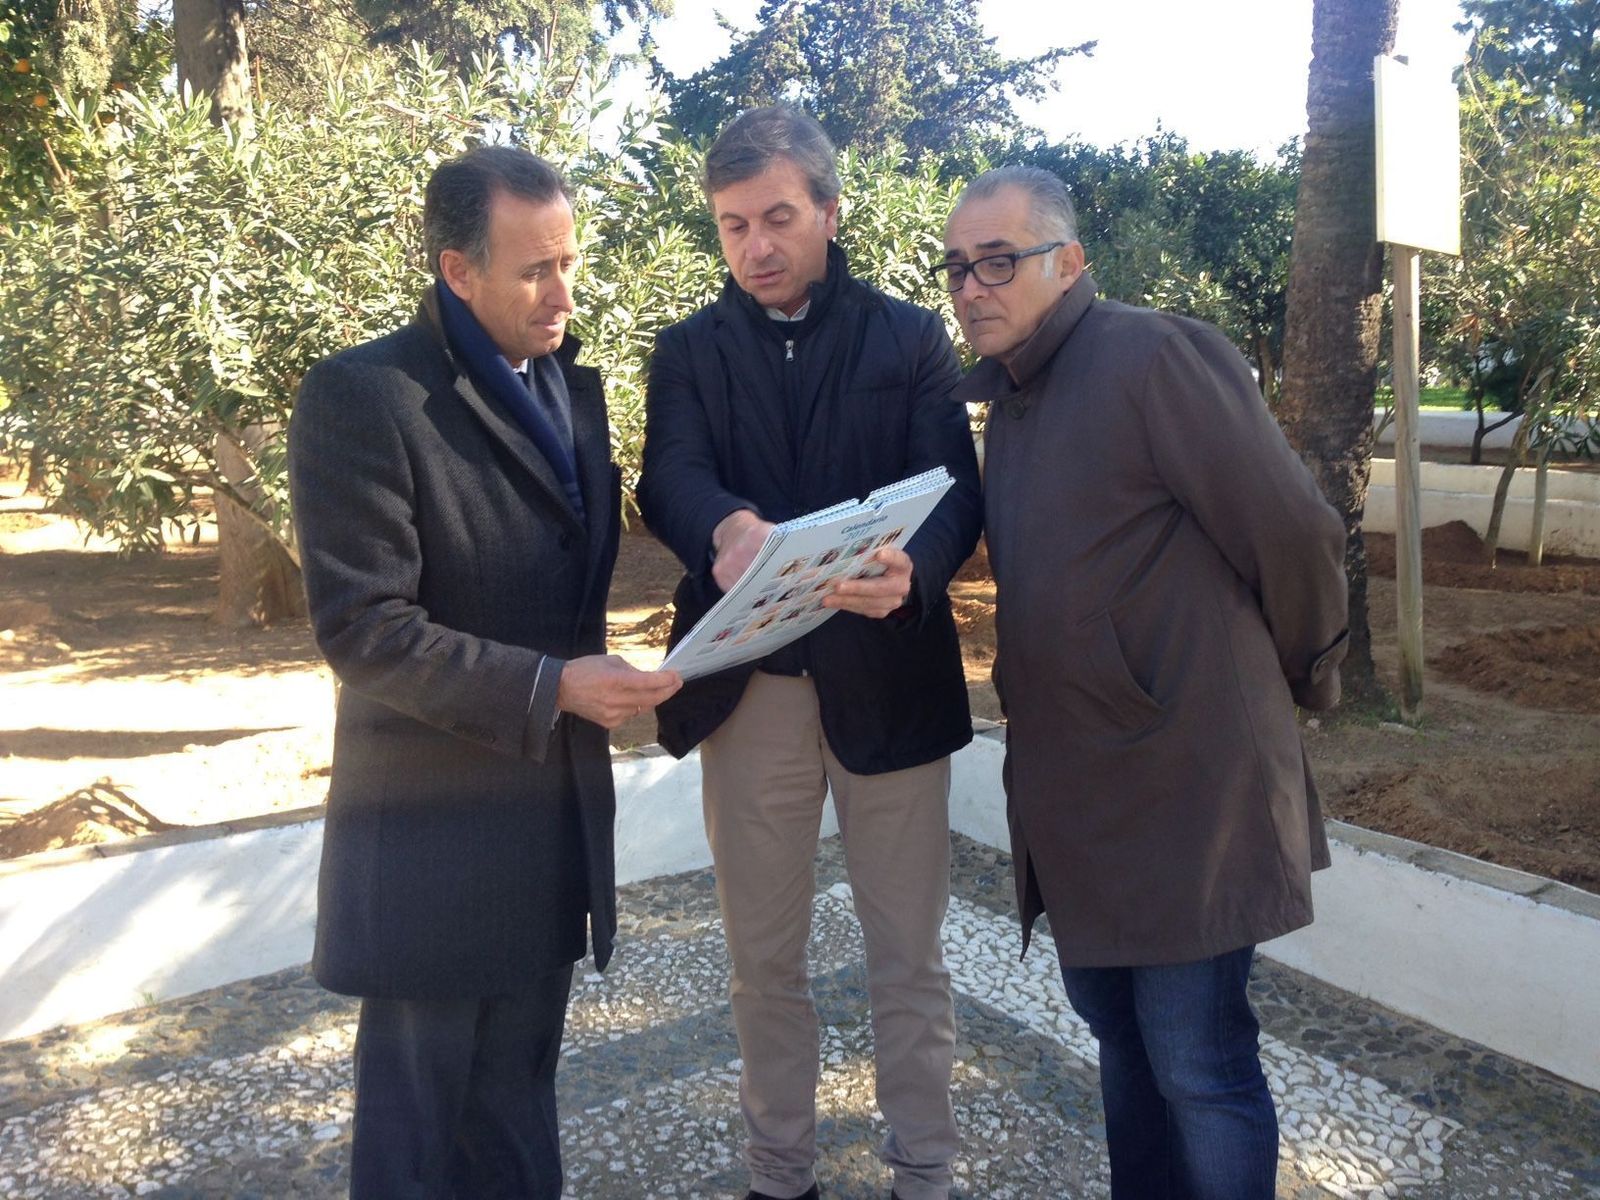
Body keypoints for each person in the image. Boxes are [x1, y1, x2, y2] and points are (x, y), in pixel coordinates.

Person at [940, 166, 1349, 1199]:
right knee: (1121, 1045)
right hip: (1078, 793)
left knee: (1197, 1064)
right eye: (958, 267)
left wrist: (1306, 672)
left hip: (1185, 790)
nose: (973, 286)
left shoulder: (1154, 356)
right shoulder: (1012, 401)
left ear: (1069, 261)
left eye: (999, 260)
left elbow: (1293, 530)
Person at [288, 145, 680, 1200]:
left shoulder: (567, 385)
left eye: (569, 263)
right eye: (534, 270)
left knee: (516, 1111)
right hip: (434, 847)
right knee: (417, 1137)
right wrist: (555, 687)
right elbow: (364, 628)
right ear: (457, 271)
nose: (564, 295)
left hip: (550, 823)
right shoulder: (365, 395)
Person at [637, 106, 982, 1200]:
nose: (756, 247)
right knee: (763, 961)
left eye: (778, 218)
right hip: (753, 693)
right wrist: (723, 525)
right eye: (733, 226)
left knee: (908, 955)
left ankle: (923, 1172)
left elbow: (954, 490)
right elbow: (668, 474)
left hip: (890, 680)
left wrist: (916, 571)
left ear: (830, 211)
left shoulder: (909, 338)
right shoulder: (687, 352)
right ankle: (780, 1173)